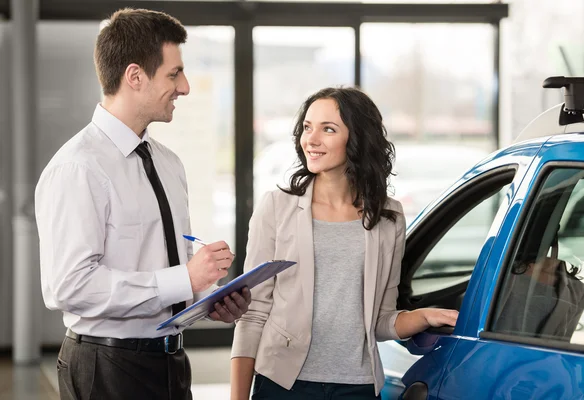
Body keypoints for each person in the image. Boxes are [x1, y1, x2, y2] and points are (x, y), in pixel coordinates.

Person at [34, 8, 250, 400]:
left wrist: (210, 295)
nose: (184, 87)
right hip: (106, 368)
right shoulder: (77, 168)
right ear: (135, 76)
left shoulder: (168, 162)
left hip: (171, 364)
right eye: (173, 74)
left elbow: (168, 250)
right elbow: (69, 285)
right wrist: (185, 279)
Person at [230, 87, 459, 399]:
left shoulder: (388, 216)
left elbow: (379, 320)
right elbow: (254, 313)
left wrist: (425, 317)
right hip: (283, 385)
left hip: (359, 387)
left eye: (328, 129)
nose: (311, 139)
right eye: (307, 127)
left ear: (357, 138)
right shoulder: (276, 207)